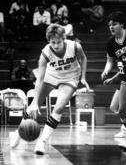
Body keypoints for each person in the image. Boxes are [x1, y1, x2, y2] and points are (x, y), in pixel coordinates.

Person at [11, 24, 89, 155]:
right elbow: (40, 79)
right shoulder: (45, 53)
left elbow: (84, 58)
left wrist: (83, 77)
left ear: (64, 38)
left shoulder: (75, 46)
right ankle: (19, 134)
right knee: (33, 106)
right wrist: (35, 102)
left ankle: (42, 142)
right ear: (49, 41)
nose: (56, 45)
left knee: (58, 108)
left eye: (59, 42)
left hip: (70, 78)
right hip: (51, 76)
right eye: (53, 42)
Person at [101, 11, 126, 151]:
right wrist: (106, 71)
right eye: (109, 25)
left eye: (114, 24)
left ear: (122, 25)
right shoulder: (111, 43)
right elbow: (110, 61)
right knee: (121, 108)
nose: (111, 27)